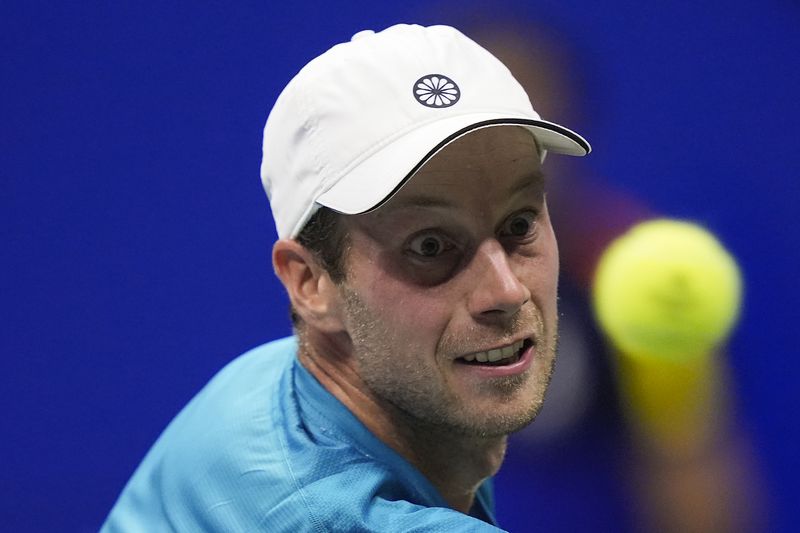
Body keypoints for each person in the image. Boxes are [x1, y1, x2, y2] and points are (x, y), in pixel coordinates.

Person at [101, 24, 590, 532]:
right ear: (310, 282)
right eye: (429, 247)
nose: (506, 291)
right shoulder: (340, 517)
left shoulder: (269, 382)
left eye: (519, 224)